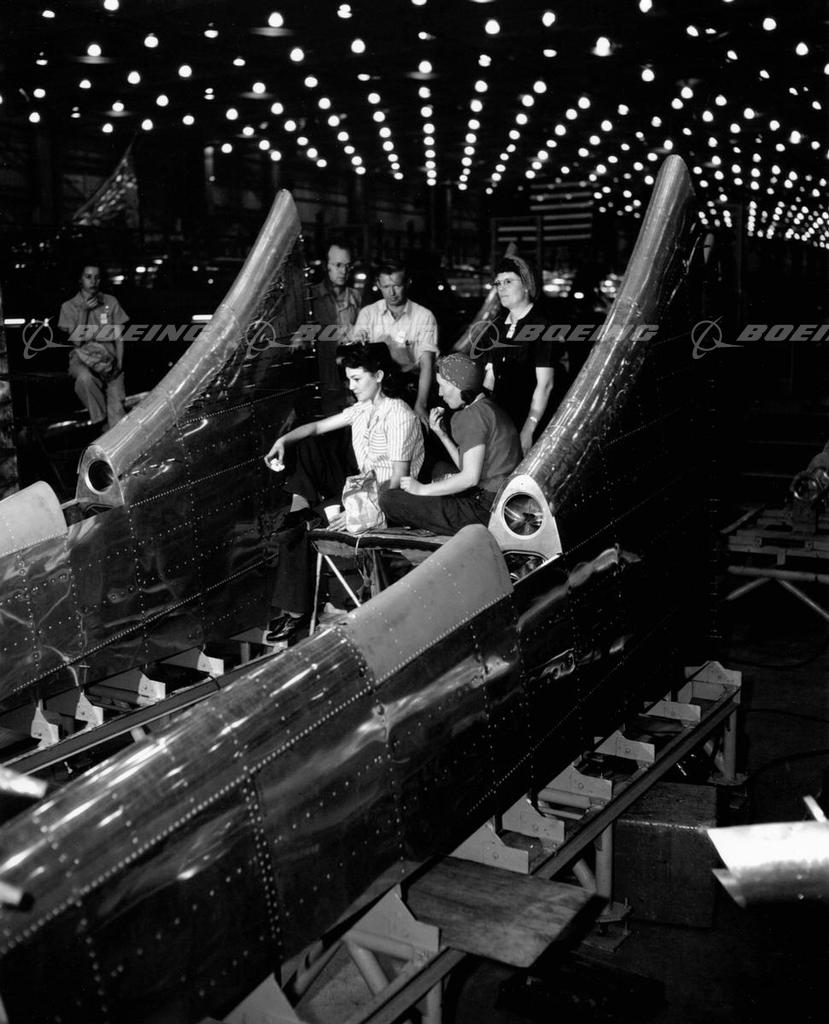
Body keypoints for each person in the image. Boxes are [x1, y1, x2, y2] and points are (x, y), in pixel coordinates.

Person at [263, 343, 424, 643]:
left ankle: (295, 614)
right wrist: (283, 441)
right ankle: (301, 507)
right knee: (305, 444)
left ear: (378, 376)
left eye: (357, 379)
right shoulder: (363, 409)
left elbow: (398, 480)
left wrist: (354, 510)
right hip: (362, 489)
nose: (351, 386)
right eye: (349, 379)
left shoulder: (399, 414)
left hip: (389, 500)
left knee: (302, 529)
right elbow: (315, 428)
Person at [380, 353, 521, 536]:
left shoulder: (472, 417)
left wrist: (422, 490)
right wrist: (443, 436)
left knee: (389, 499)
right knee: (437, 468)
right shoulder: (486, 407)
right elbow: (468, 467)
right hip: (500, 499)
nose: (440, 393)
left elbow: (469, 478)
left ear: (458, 386)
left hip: (485, 509)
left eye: (442, 386)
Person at [484, 255, 564, 455]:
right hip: (502, 421)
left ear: (527, 285)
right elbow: (491, 376)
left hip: (531, 420)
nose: (501, 288)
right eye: (498, 283)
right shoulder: (497, 325)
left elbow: (545, 385)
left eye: (508, 282)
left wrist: (529, 429)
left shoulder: (542, 326)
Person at [348, 259, 438, 427]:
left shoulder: (424, 316)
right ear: (378, 285)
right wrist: (359, 342)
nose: (392, 292)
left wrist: (421, 405)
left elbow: (427, 364)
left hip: (409, 387)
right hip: (376, 389)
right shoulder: (368, 314)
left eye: (397, 286)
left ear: (407, 283)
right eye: (386, 286)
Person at [57, 262, 128, 430]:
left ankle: (112, 427)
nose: (93, 281)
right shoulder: (69, 306)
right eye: (88, 277)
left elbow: (119, 338)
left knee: (117, 412)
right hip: (81, 359)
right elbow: (76, 342)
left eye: (97, 277)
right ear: (80, 280)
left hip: (109, 359)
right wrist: (84, 311)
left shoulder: (110, 302)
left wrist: (119, 364)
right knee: (84, 379)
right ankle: (102, 421)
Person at [310, 240, 361, 404]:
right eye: (338, 265)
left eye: (348, 266)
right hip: (322, 381)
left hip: (351, 383)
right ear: (326, 266)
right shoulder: (311, 297)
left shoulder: (356, 297)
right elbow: (302, 335)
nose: (343, 271)